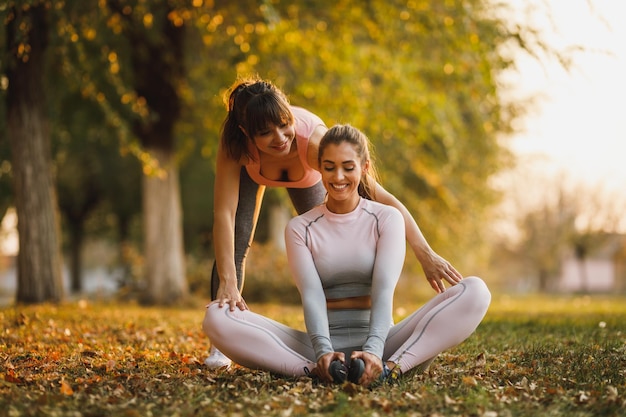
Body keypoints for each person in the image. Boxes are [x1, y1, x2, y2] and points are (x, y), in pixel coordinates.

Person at [206, 77, 464, 369]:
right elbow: (223, 214)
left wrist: (424, 252)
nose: (279, 137)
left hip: (307, 172)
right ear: (246, 133)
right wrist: (228, 281)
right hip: (254, 172)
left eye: (284, 124)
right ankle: (219, 345)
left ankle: (367, 331)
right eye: (266, 132)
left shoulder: (312, 143)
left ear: (291, 115)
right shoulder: (235, 147)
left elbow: (383, 199)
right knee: (236, 240)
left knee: (335, 233)